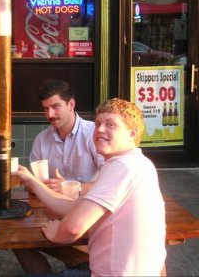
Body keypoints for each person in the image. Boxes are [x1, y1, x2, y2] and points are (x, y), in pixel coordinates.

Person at [16, 98, 167, 276]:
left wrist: (57, 233)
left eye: (111, 124)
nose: (100, 129)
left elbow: (73, 228)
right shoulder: (139, 163)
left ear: (132, 134)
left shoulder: (122, 166)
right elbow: (72, 207)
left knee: (24, 246)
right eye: (97, 124)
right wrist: (30, 179)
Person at [14, 78, 104, 273]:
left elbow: (109, 182)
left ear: (71, 104)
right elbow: (31, 185)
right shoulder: (42, 139)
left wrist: (75, 186)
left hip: (87, 214)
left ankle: (79, 264)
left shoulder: (93, 134)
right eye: (46, 109)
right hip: (51, 211)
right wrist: (33, 183)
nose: (50, 114)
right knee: (16, 237)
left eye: (55, 107)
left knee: (81, 250)